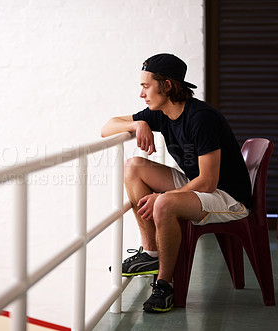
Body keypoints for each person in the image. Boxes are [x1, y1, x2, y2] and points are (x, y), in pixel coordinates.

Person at [101, 53, 252, 313]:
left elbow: (208, 181)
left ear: (167, 86)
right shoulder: (160, 114)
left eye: (146, 86)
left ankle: (164, 285)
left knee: (165, 204)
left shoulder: (200, 118)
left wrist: (162, 198)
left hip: (228, 197)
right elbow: (107, 127)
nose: (141, 94)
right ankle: (151, 254)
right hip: (201, 184)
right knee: (134, 167)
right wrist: (138, 124)